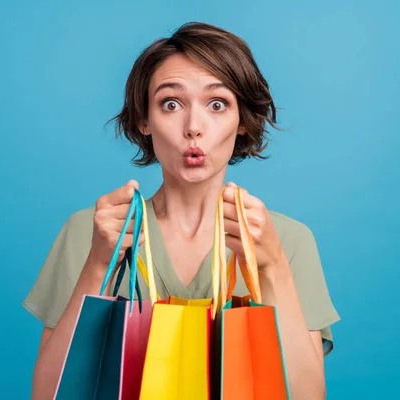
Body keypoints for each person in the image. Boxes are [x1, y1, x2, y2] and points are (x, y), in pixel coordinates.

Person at [23, 21, 340, 399]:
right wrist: (97, 265)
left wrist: (273, 270)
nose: (194, 127)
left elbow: (308, 395)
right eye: (171, 104)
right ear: (144, 120)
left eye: (217, 104)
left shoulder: (287, 240)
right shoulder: (93, 232)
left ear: (241, 120)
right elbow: (46, 393)